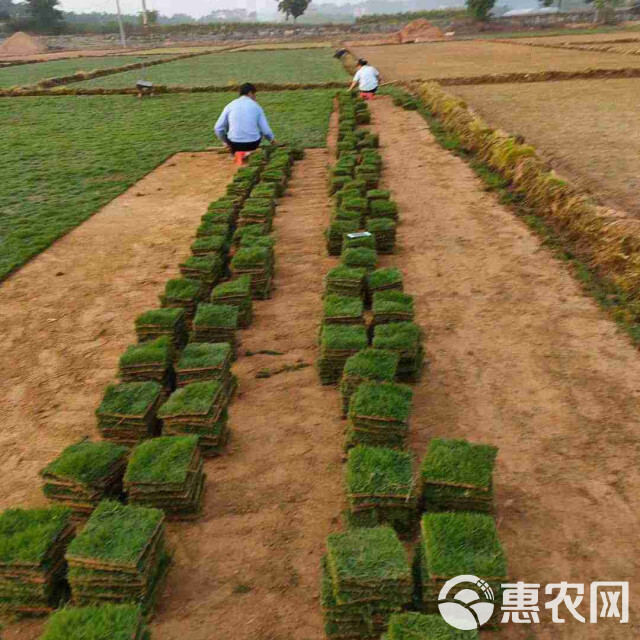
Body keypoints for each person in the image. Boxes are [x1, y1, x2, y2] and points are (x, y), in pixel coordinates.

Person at [214, 82, 276, 155]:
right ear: (250, 93)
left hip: (234, 145)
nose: (255, 98)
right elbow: (266, 131)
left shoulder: (230, 105)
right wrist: (272, 141)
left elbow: (218, 128)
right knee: (259, 127)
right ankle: (248, 152)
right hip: (253, 144)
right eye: (254, 95)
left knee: (230, 127)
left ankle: (233, 151)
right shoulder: (257, 107)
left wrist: (226, 142)